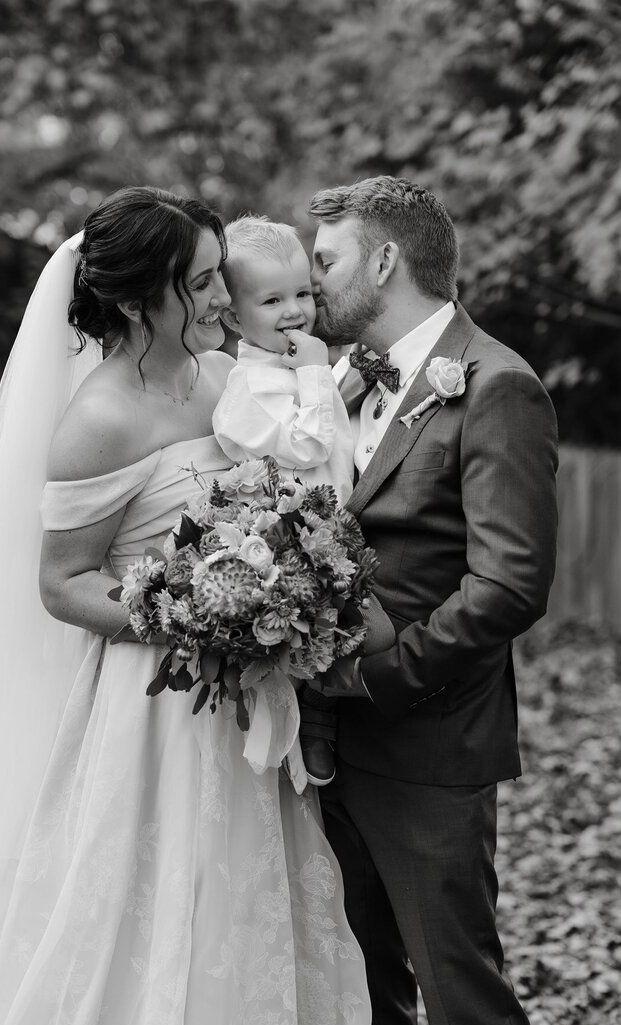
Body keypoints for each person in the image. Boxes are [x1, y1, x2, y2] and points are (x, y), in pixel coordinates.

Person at [0, 187, 385, 1025]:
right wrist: (194, 619)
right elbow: (62, 584)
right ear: (143, 294)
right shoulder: (94, 420)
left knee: (247, 910)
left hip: (240, 697)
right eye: (197, 282)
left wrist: (284, 575)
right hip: (143, 710)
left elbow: (283, 491)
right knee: (133, 924)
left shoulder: (220, 380)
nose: (215, 297)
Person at [309, 177, 559, 1025]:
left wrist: (383, 678)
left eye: (324, 258)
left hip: (426, 742)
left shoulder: (496, 385)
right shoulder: (328, 381)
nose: (311, 277)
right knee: (360, 991)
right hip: (323, 741)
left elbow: (508, 583)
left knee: (461, 995)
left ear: (381, 262)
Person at [211, 214, 385, 787]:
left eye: (303, 293)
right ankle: (314, 727)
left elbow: (334, 430)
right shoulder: (246, 394)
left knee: (349, 636)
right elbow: (309, 441)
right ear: (234, 315)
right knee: (311, 647)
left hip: (346, 527)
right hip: (296, 543)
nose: (295, 311)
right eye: (272, 300)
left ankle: (335, 722)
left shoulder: (300, 371)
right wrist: (317, 371)